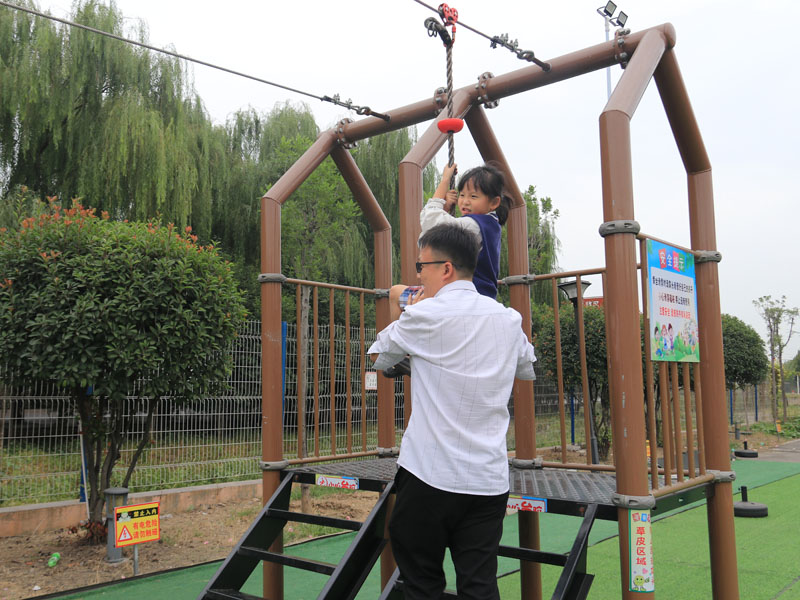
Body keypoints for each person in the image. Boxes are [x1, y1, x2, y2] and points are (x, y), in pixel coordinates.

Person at [368, 223, 537, 599]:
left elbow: (378, 357)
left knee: (421, 582)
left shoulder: (423, 314)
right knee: (480, 584)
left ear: (445, 268)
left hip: (429, 474)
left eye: (421, 266)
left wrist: (408, 315)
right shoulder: (507, 319)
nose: (418, 275)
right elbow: (527, 367)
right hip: (488, 480)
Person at [383, 161, 512, 377]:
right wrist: (447, 211)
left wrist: (444, 183)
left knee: (396, 293)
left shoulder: (472, 225)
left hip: (458, 301)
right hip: (480, 299)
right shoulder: (489, 226)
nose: (465, 201)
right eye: (462, 195)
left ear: (494, 202)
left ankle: (403, 353)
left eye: (473, 196)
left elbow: (430, 222)